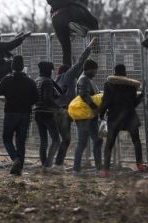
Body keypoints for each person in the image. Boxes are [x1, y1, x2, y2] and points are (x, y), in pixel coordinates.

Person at [99, 64, 146, 178]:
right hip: (130, 116)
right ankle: (139, 164)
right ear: (125, 73)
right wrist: (142, 95)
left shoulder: (108, 84)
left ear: (114, 72)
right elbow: (134, 103)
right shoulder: (131, 86)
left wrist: (101, 115)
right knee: (136, 141)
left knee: (109, 144)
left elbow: (106, 101)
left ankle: (105, 170)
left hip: (114, 118)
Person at [54, 38, 95, 167]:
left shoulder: (57, 80)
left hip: (59, 112)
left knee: (65, 140)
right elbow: (79, 63)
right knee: (68, 139)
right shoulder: (68, 76)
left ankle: (58, 163)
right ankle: (59, 163)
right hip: (66, 111)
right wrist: (88, 48)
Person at [0, 55, 38, 176]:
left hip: (10, 113)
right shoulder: (30, 81)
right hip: (25, 114)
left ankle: (15, 159)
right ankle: (19, 168)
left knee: (6, 138)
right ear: (23, 66)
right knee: (21, 141)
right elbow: (36, 98)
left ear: (12, 66)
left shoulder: (7, 79)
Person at [48, 0, 99, 66]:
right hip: (68, 15)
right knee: (93, 21)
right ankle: (84, 31)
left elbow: (50, 4)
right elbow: (92, 19)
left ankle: (65, 72)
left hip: (55, 19)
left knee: (66, 50)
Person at [73, 58, 103, 174]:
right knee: (96, 140)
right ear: (89, 69)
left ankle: (77, 168)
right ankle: (98, 168)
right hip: (87, 117)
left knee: (84, 142)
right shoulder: (84, 80)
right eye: (95, 70)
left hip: (87, 117)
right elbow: (84, 95)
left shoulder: (86, 79)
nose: (95, 73)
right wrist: (95, 108)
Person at [34, 61, 62, 169]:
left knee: (43, 140)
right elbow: (48, 99)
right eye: (51, 70)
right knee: (56, 140)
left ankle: (44, 164)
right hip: (47, 113)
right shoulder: (47, 82)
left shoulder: (37, 80)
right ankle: (48, 164)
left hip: (37, 112)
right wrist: (59, 108)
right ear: (48, 70)